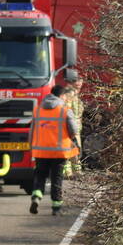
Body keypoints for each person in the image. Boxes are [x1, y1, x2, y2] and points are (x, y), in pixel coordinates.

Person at [29, 84, 80, 216]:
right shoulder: (65, 109)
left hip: (40, 151)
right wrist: (73, 139)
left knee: (40, 175)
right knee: (56, 178)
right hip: (59, 151)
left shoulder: (38, 110)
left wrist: (31, 146)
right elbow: (74, 130)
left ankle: (36, 195)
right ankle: (56, 207)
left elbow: (32, 131)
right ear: (62, 95)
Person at [62, 75, 85, 178]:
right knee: (70, 149)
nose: (80, 83)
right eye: (77, 81)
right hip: (70, 127)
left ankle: (76, 171)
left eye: (81, 81)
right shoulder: (69, 93)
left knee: (75, 149)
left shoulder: (75, 94)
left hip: (75, 127)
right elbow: (68, 111)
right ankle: (68, 172)